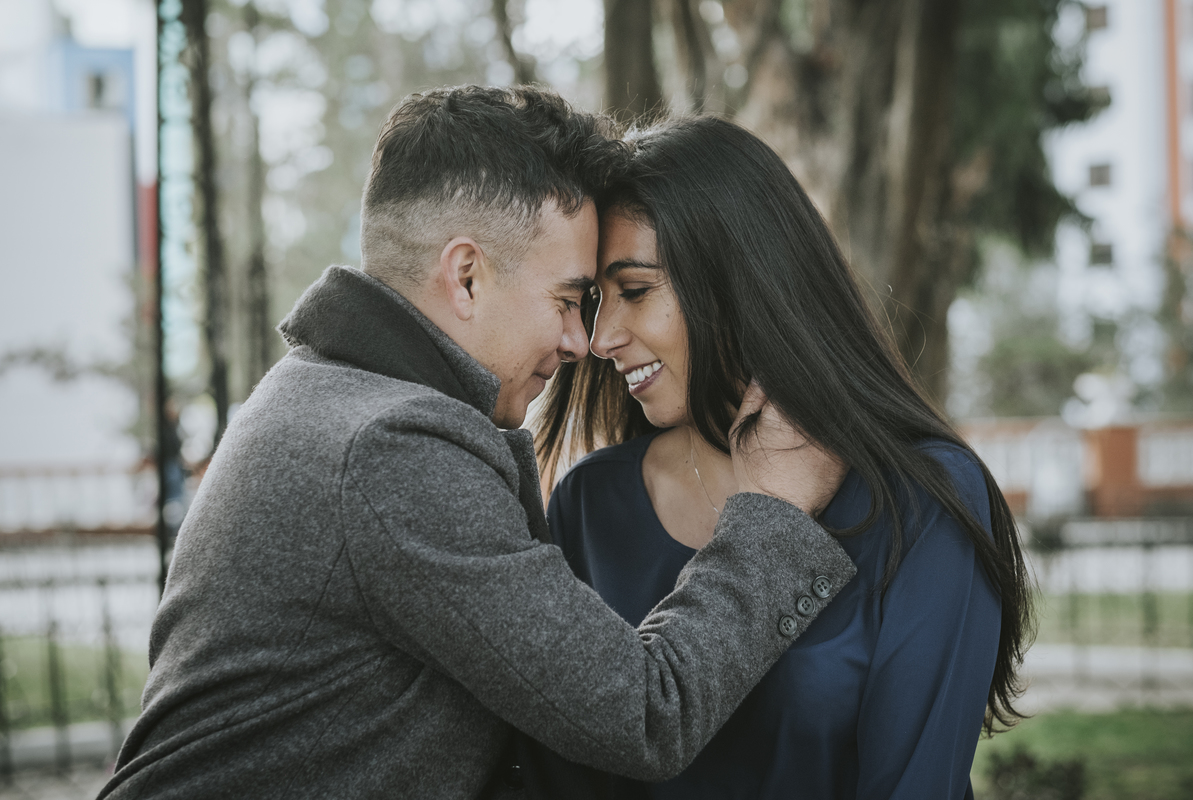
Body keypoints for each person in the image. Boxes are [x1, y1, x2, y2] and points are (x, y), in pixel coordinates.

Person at [98, 88, 856, 800]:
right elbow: (644, 715)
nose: (581, 341)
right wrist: (771, 512)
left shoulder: (321, 395)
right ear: (465, 277)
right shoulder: (390, 448)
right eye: (569, 299)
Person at [526, 116, 1034, 799]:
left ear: (741, 280)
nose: (600, 337)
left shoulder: (921, 498)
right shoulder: (592, 504)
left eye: (637, 291)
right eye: (593, 301)